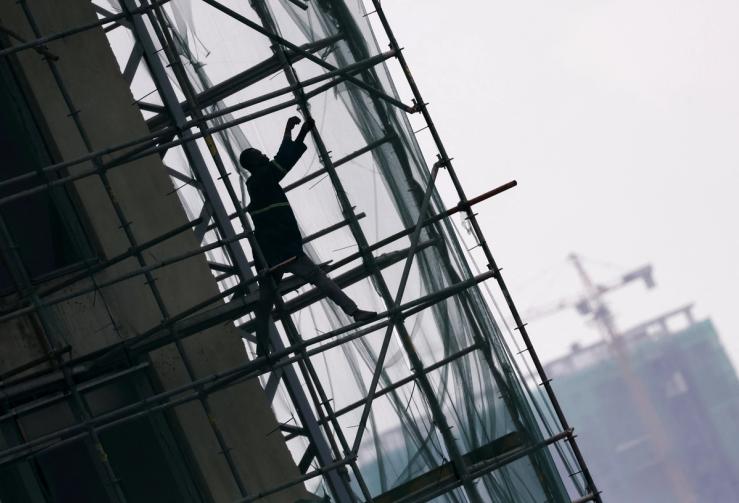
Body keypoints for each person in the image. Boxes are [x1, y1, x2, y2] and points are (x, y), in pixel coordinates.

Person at [240, 116, 377, 358]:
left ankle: (262, 351)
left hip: (270, 253)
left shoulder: (259, 182)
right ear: (252, 163)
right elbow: (282, 163)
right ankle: (354, 312)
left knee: (265, 302)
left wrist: (297, 133)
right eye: (259, 155)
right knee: (316, 277)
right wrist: (294, 132)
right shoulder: (261, 180)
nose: (264, 156)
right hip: (282, 249)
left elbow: (280, 162)